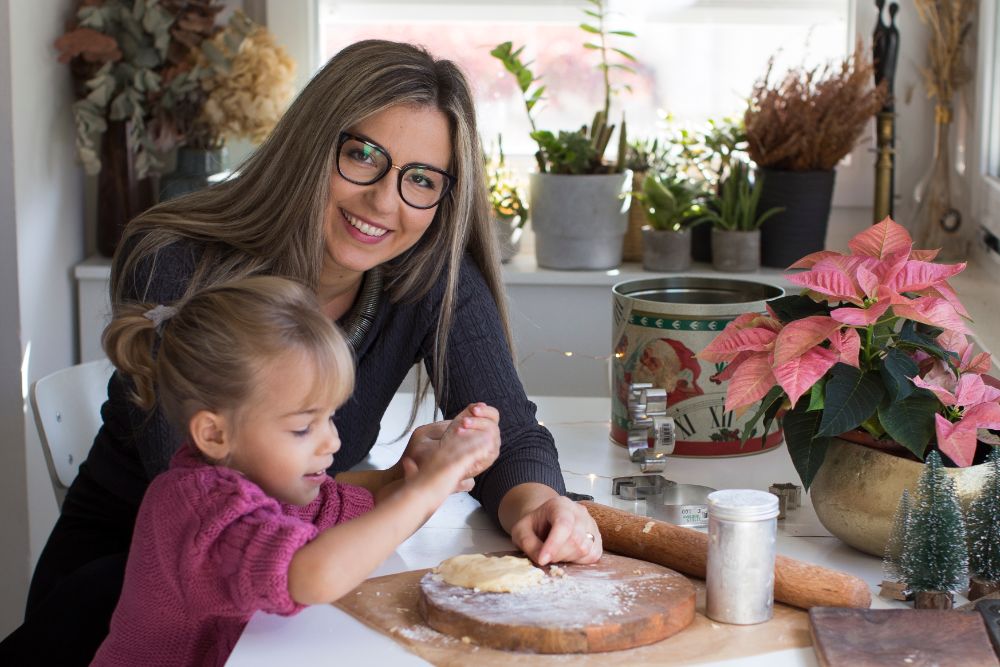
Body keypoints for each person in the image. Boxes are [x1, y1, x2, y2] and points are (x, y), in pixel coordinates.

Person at [1, 39, 601, 664]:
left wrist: (538, 506)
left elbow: (515, 434)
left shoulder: (428, 277)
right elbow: (240, 503)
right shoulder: (176, 259)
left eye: (421, 179)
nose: (385, 201)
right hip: (127, 602)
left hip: (295, 575)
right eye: (362, 156)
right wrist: (418, 488)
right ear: (313, 144)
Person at [88, 276, 500, 666]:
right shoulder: (197, 508)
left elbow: (370, 519)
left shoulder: (267, 487)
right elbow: (311, 573)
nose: (333, 443)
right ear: (214, 434)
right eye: (303, 427)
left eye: (330, 418)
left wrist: (424, 474)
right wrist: (428, 487)